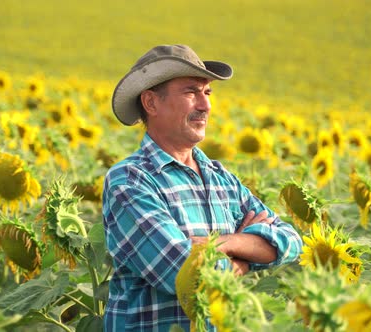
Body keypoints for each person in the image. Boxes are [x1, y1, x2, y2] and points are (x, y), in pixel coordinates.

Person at [102, 44, 303, 331]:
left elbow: (291, 240)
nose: (205, 105)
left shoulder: (220, 178)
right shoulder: (130, 180)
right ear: (151, 103)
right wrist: (248, 257)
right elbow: (183, 273)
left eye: (207, 93)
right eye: (190, 92)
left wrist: (224, 244)